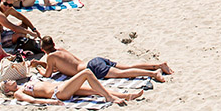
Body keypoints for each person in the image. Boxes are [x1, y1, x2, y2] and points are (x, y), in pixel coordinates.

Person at [32, 36, 172, 82]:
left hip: (92, 69)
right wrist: (41, 63)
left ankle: (154, 73)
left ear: (43, 50)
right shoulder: (60, 50)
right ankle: (158, 65)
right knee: (127, 66)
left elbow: (48, 74)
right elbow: (67, 63)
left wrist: (38, 68)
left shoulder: (50, 57)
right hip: (94, 61)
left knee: (122, 73)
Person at [0, 71, 143, 106]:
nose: (9, 80)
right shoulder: (19, 93)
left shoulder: (23, 84)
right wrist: (52, 102)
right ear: (6, 90)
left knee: (95, 89)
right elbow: (32, 101)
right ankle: (110, 97)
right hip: (58, 93)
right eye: (6, 82)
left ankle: (127, 96)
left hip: (61, 88)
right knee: (87, 73)